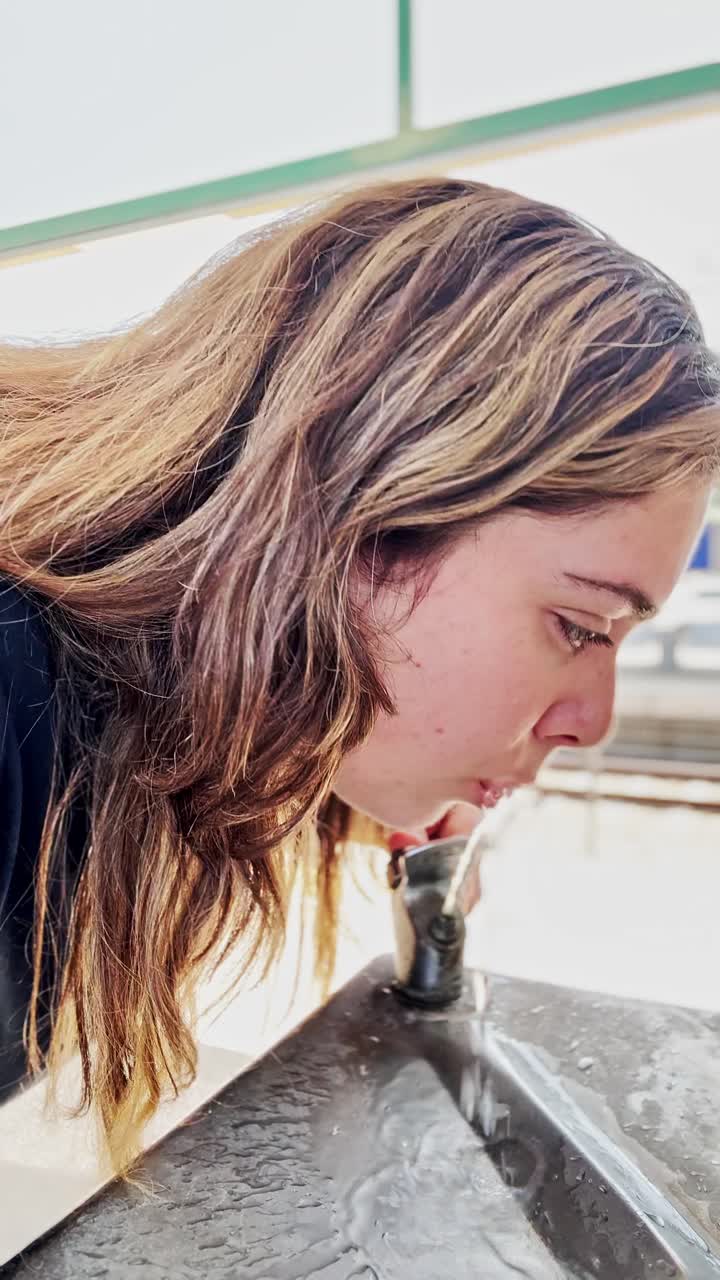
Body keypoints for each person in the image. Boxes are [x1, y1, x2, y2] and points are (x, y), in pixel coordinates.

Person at [0, 177, 718, 1169]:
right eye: (580, 622)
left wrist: (343, 759)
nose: (593, 719)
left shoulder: (110, 711)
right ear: (357, 511)